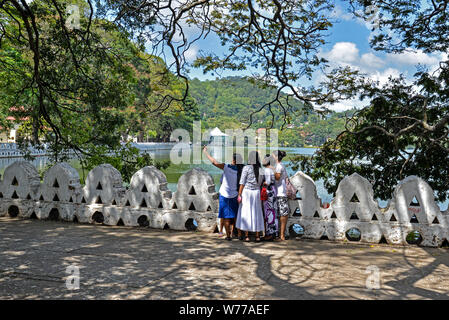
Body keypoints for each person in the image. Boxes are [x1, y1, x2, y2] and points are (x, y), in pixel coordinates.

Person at [203, 146, 243, 241]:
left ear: (233, 160)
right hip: (235, 195)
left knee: (225, 216)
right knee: (236, 215)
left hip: (224, 195)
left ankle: (228, 236)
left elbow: (214, 162)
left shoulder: (227, 167)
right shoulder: (241, 170)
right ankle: (240, 235)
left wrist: (206, 153)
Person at [236, 151, 265, 242]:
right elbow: (260, 183)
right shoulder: (261, 169)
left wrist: (239, 194)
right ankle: (257, 235)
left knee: (246, 213)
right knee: (257, 212)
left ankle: (247, 236)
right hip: (256, 192)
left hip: (247, 192)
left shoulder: (246, 168)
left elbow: (242, 182)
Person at [273, 150, 290, 241]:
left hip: (280, 193)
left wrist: (271, 170)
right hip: (280, 191)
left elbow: (277, 177)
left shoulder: (279, 166)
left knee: (283, 214)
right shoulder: (281, 165)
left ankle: (282, 235)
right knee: (281, 214)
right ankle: (280, 234)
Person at [261, 154, 277, 241]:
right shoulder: (272, 170)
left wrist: (262, 183)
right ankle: (274, 232)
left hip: (268, 192)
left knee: (268, 212)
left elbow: (267, 182)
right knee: (272, 212)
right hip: (273, 191)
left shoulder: (267, 170)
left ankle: (269, 233)